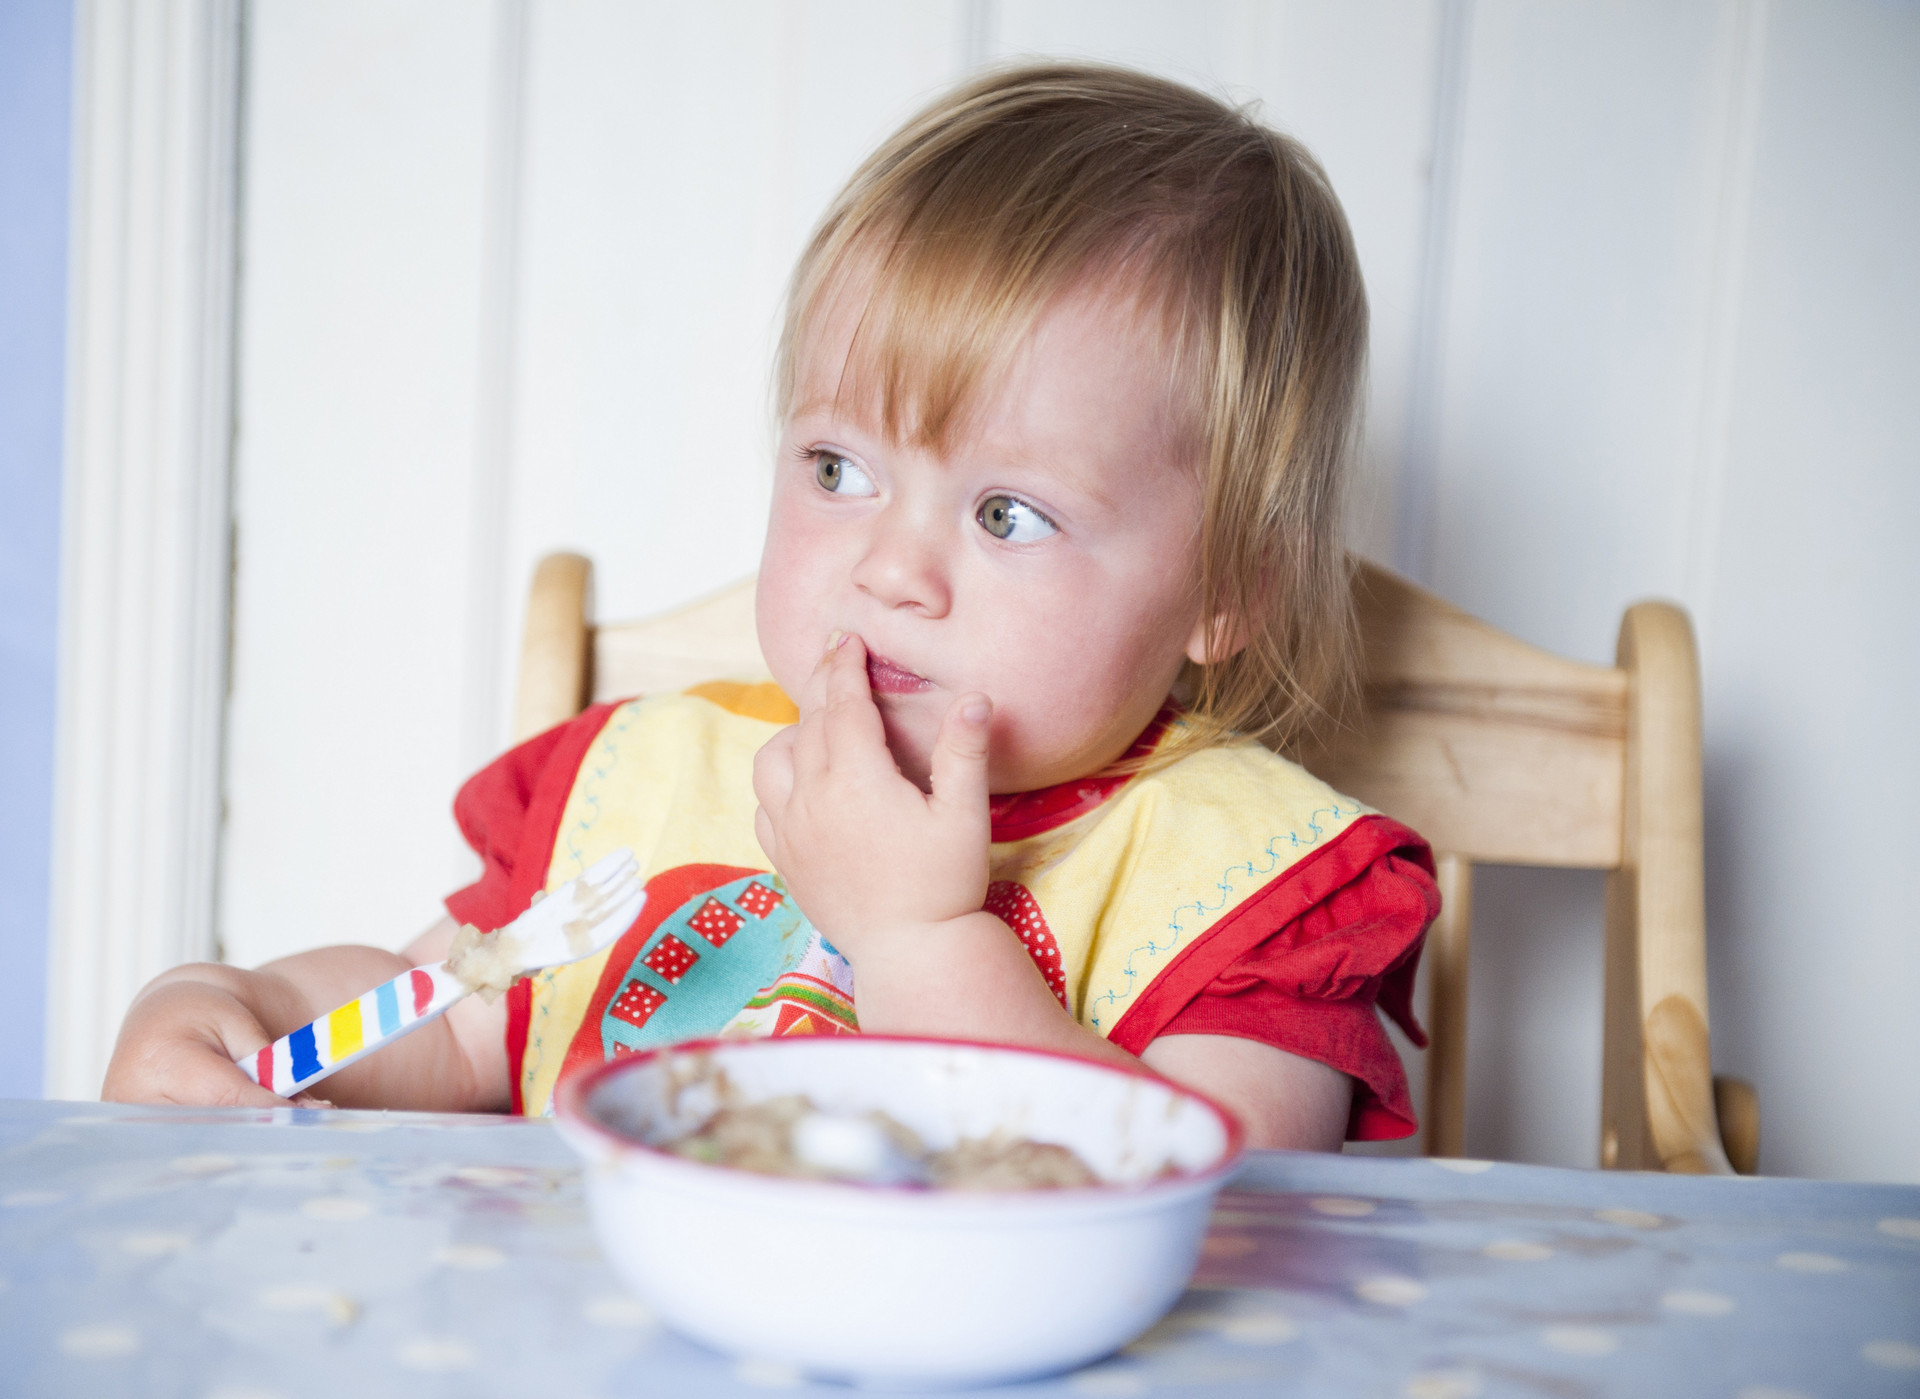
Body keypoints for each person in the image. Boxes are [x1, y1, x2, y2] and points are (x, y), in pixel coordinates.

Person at [105, 62, 1438, 1151]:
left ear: (1229, 589)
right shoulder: (641, 784)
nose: (890, 571)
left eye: (1005, 513)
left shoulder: (1255, 892)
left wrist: (918, 938)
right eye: (840, 470)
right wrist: (242, 1011)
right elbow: (453, 1018)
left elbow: (1209, 1197)